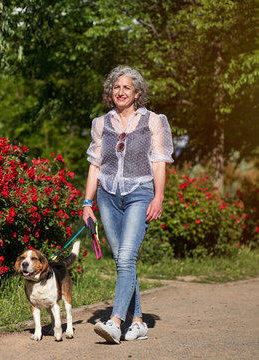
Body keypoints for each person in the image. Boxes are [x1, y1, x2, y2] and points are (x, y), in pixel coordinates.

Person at [82, 66, 174, 344]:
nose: (121, 92)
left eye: (127, 88)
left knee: (126, 257)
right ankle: (138, 322)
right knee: (123, 260)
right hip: (107, 195)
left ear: (137, 94)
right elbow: (94, 165)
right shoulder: (101, 123)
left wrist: (158, 196)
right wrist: (87, 203)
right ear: (111, 93)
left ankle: (115, 321)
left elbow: (159, 161)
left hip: (140, 192)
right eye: (116, 87)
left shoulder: (153, 121)